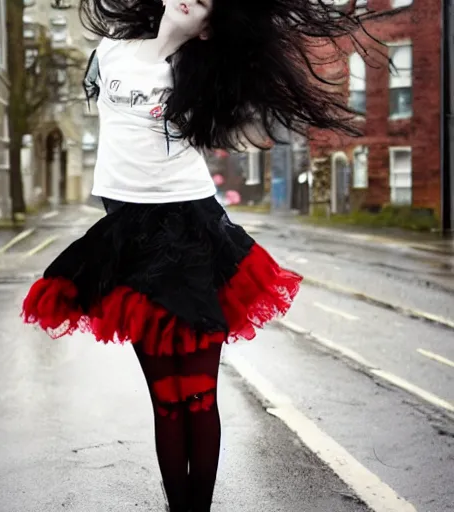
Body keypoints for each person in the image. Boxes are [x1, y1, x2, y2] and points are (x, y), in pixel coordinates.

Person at [23, 0, 375, 510]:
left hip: (193, 230)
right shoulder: (109, 52)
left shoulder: (202, 71)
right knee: (166, 403)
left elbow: (246, 121)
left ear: (211, 28)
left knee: (197, 397)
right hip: (130, 235)